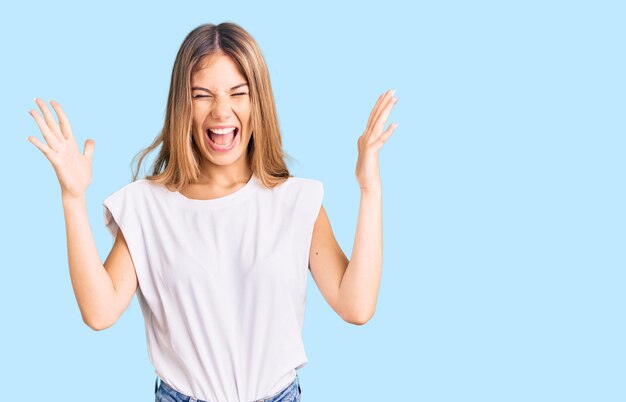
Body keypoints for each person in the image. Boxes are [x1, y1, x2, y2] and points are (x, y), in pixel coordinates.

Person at [26, 21, 398, 402]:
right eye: (202, 95)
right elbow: (99, 312)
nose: (222, 112)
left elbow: (357, 306)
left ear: (259, 101)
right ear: (182, 107)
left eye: (238, 92)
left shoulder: (296, 202)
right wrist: (72, 197)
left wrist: (370, 189)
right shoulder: (146, 206)